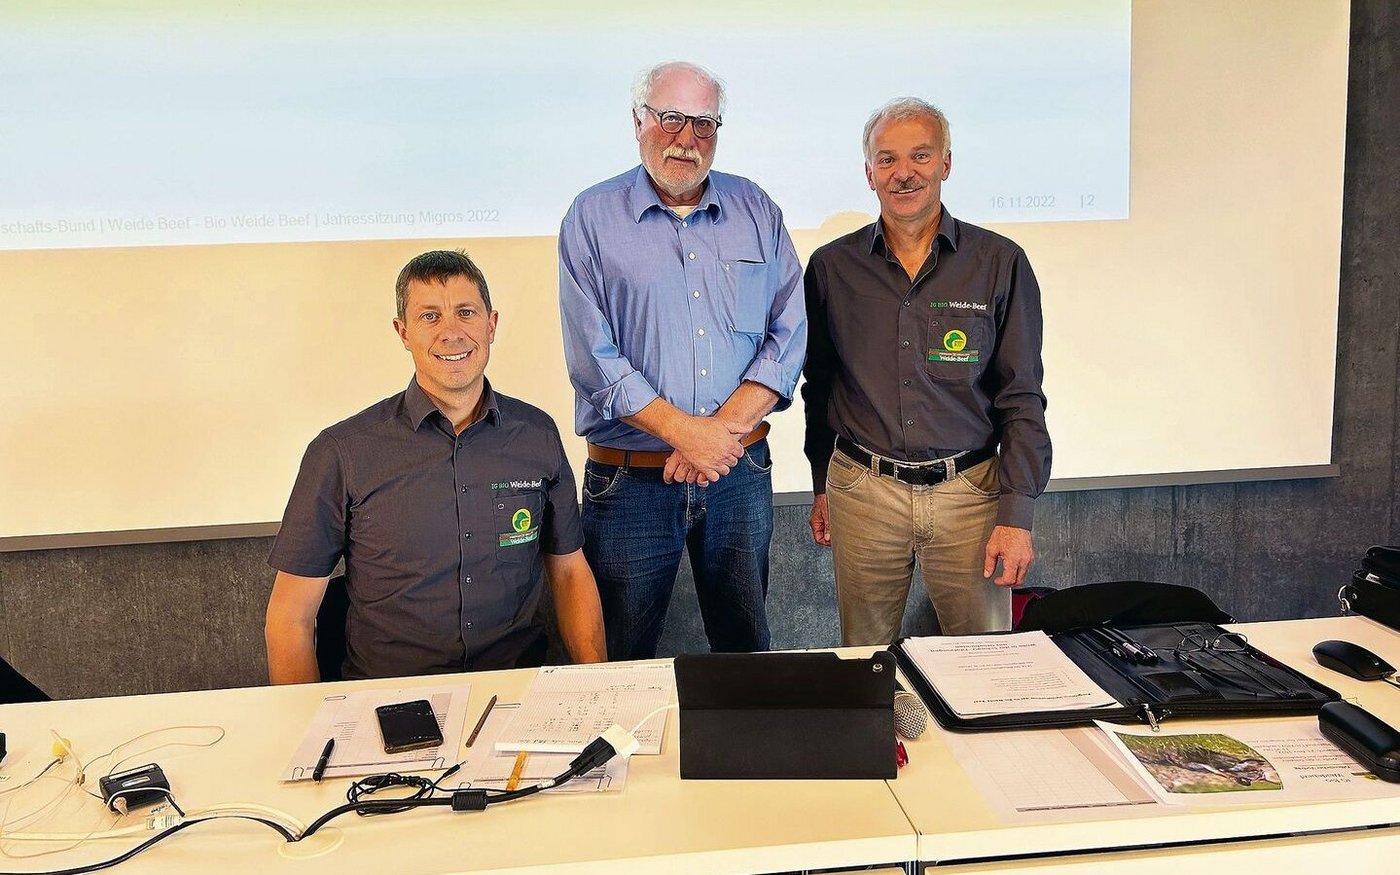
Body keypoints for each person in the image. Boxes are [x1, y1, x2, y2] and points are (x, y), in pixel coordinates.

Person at [558, 61, 806, 660]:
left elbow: (789, 331)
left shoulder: (757, 210)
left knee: (746, 652)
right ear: (638, 121)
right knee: (620, 657)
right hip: (630, 483)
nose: (686, 138)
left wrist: (715, 436)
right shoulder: (591, 217)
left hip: (738, 475)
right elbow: (593, 358)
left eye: (704, 123)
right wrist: (687, 435)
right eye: (670, 118)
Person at [265, 250, 606, 682]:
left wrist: (599, 682)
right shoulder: (341, 452)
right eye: (430, 317)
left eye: (466, 312)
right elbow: (290, 617)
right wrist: (308, 719)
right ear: (403, 333)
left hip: (516, 690)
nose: (451, 332)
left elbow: (570, 571)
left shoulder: (536, 435)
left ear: (491, 325)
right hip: (388, 699)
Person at [802, 97, 1051, 643]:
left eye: (920, 155)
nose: (904, 172)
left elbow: (1022, 398)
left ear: (946, 163)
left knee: (981, 663)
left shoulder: (1000, 263)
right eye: (887, 159)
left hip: (971, 494)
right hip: (863, 493)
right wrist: (822, 482)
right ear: (869, 173)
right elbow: (818, 386)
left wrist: (1016, 515)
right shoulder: (831, 267)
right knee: (866, 660)